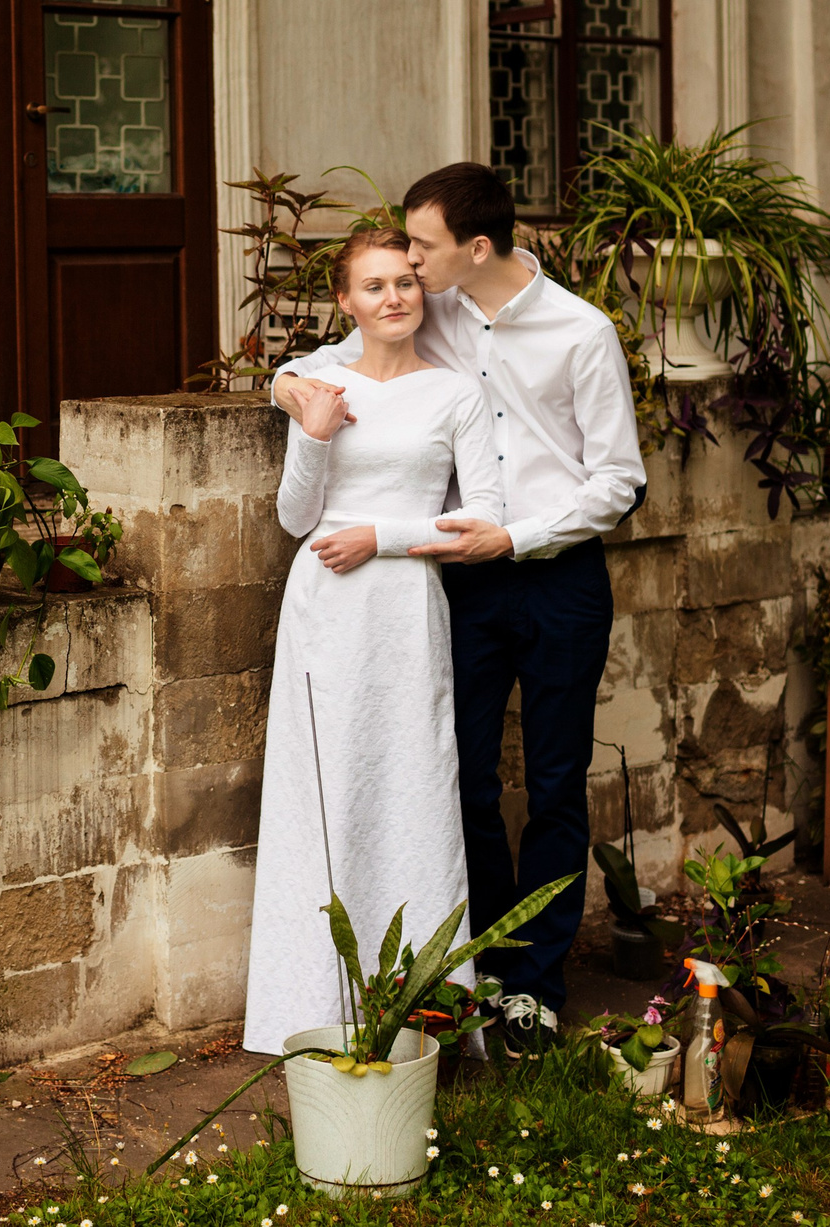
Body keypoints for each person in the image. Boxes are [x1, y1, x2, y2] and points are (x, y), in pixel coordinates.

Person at [272, 163, 645, 1057]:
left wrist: (514, 539)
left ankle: (536, 989)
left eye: (423, 246)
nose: (409, 260)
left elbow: (619, 481)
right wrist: (290, 385)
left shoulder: (581, 334)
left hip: (554, 575)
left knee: (554, 785)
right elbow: (326, 361)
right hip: (457, 582)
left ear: (476, 248)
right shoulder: (428, 303)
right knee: (463, 780)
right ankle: (481, 967)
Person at [242, 229, 505, 1057]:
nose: (394, 297)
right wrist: (313, 429)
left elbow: (481, 518)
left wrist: (378, 536)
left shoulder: (457, 394)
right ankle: (310, 1005)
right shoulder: (319, 383)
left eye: (405, 282)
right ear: (347, 303)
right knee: (321, 794)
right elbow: (294, 518)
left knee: (411, 787)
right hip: (323, 610)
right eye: (374, 285)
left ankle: (422, 1012)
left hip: (403, 607)